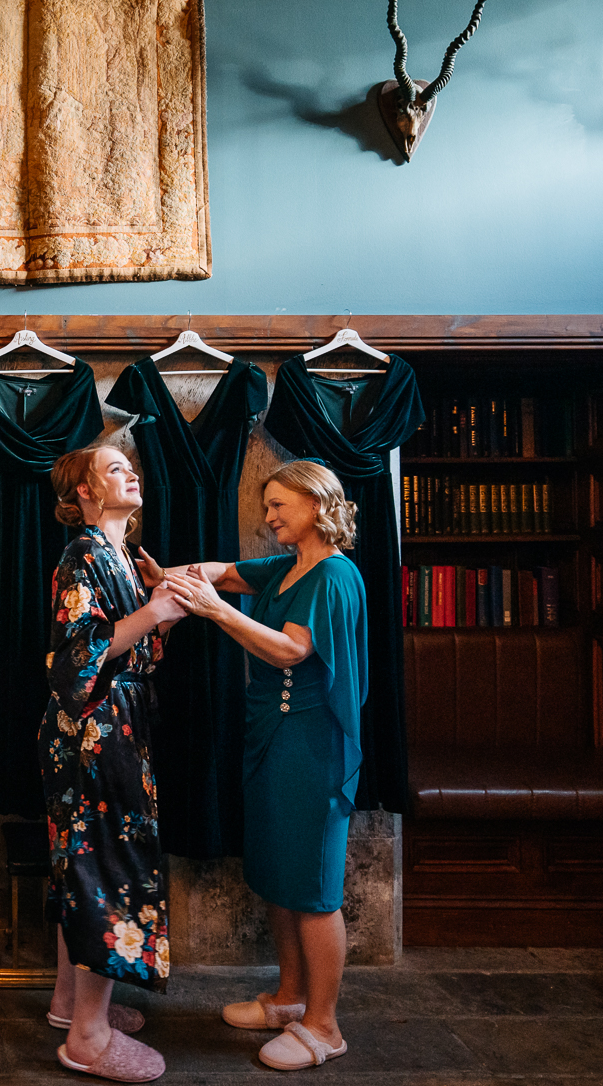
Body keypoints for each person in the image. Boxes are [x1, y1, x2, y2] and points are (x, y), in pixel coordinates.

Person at [159, 459, 367, 1072]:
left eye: (279, 505)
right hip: (272, 737)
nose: (269, 516)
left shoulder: (333, 574)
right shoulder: (288, 567)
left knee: (314, 889)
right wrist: (160, 573)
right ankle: (288, 999)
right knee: (280, 877)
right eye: (267, 504)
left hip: (312, 744)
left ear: (316, 504)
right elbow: (222, 572)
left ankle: (324, 1026)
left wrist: (215, 611)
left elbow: (293, 649)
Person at [43, 445, 188, 1083]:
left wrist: (154, 607)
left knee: (85, 865)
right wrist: (152, 612)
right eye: (113, 468)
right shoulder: (83, 554)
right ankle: (88, 1037)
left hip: (116, 726)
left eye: (132, 464)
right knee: (105, 866)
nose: (131, 471)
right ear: (84, 495)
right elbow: (77, 659)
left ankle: (68, 1002)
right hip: (93, 734)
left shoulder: (122, 558)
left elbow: (138, 650)